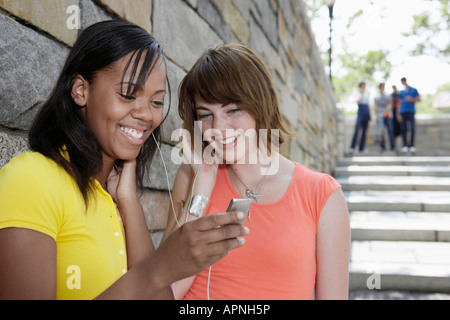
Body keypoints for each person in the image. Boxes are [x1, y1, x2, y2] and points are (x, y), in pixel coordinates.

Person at [0, 20, 248, 300]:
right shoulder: (31, 179)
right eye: (128, 94)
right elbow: (150, 279)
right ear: (81, 90)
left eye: (156, 102)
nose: (145, 114)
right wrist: (158, 269)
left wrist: (130, 204)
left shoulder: (119, 197)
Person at [163, 44, 350, 300]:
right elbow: (163, 289)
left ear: (259, 104)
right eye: (206, 114)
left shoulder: (322, 195)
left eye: (232, 109)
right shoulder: (192, 176)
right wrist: (203, 185)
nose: (218, 127)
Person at [398, 77, 421, 154]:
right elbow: (399, 103)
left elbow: (419, 99)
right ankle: (405, 145)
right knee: (403, 129)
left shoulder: (413, 90)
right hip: (403, 112)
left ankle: (412, 146)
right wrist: (398, 114)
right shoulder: (401, 92)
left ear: (405, 81)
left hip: (411, 111)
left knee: (412, 128)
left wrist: (411, 99)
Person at [349, 81, 371, 154]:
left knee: (364, 132)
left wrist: (370, 115)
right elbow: (358, 102)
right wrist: (361, 94)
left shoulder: (367, 94)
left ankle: (361, 148)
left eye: (364, 86)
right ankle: (352, 147)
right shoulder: (357, 93)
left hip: (366, 115)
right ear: (360, 86)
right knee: (357, 131)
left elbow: (368, 105)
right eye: (363, 86)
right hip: (360, 114)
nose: (364, 87)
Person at [374, 83, 395, 151]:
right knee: (381, 132)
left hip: (387, 114)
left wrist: (386, 112)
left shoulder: (387, 96)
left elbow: (391, 105)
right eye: (381, 87)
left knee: (390, 130)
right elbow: (375, 106)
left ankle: (392, 146)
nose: (383, 88)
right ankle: (382, 147)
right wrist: (377, 115)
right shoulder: (377, 96)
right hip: (380, 115)